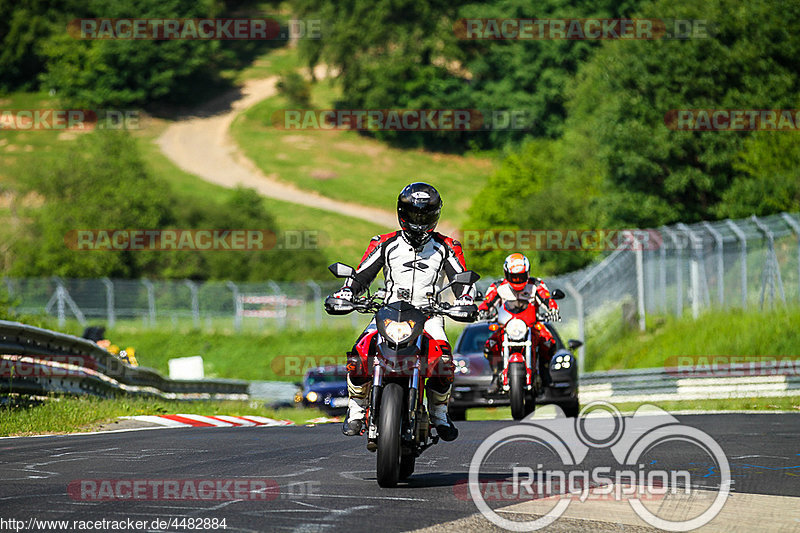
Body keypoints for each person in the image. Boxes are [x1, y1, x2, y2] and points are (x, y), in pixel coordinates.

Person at [330, 182, 474, 441]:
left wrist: (464, 300)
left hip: (428, 314)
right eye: (414, 214)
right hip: (388, 312)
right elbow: (362, 275)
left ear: (436, 215)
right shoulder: (385, 243)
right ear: (401, 213)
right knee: (359, 353)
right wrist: (347, 293)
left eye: (425, 215)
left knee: (443, 360)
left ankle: (439, 412)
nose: (419, 221)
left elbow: (463, 281)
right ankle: (356, 408)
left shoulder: (448, 246)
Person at [478, 253, 561, 388]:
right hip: (505, 326)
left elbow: (547, 299)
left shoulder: (536, 285)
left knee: (549, 341)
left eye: (521, 276)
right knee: (490, 345)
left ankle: (544, 370)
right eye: (514, 277)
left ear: (527, 273)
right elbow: (488, 301)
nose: (517, 280)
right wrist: (482, 311)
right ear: (506, 274)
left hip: (532, 325)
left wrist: (553, 310)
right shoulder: (498, 286)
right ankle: (496, 373)